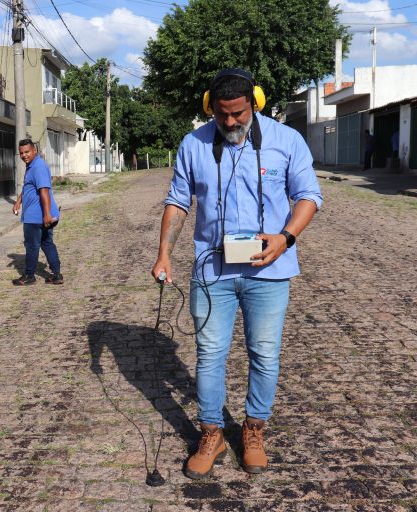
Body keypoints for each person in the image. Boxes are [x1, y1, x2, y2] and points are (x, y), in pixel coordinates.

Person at [150, 68, 323, 479]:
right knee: (210, 353)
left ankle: (254, 428)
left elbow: (309, 196)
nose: (230, 122)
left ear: (255, 103)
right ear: (211, 107)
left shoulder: (287, 141)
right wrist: (164, 254)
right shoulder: (193, 144)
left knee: (264, 353)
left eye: (239, 113)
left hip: (271, 269)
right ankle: (211, 432)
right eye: (222, 115)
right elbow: (178, 201)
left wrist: (286, 237)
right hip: (212, 270)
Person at [12, 139, 63, 286]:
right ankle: (57, 275)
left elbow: (44, 191)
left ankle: (29, 276)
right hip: (39, 215)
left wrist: (46, 214)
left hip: (36, 217)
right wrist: (19, 201)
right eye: (21, 153)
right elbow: (30, 187)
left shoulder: (38, 166)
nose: (24, 155)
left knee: (32, 245)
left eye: (27, 152)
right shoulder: (32, 166)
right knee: (47, 243)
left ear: (34, 151)